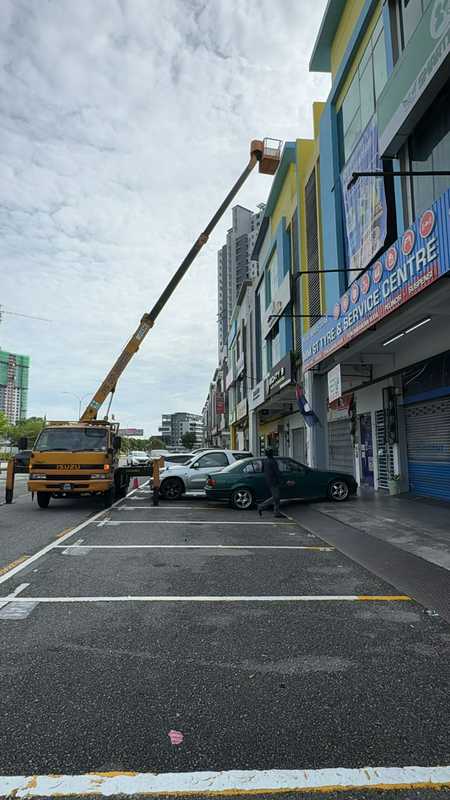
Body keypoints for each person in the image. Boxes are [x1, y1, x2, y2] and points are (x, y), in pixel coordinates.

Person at [257, 448, 283, 518]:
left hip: (269, 481)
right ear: (271, 453)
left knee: (276, 497)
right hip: (274, 481)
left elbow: (263, 471)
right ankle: (261, 506)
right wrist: (281, 480)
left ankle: (276, 512)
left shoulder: (265, 461)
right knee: (276, 497)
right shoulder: (273, 461)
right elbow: (277, 472)